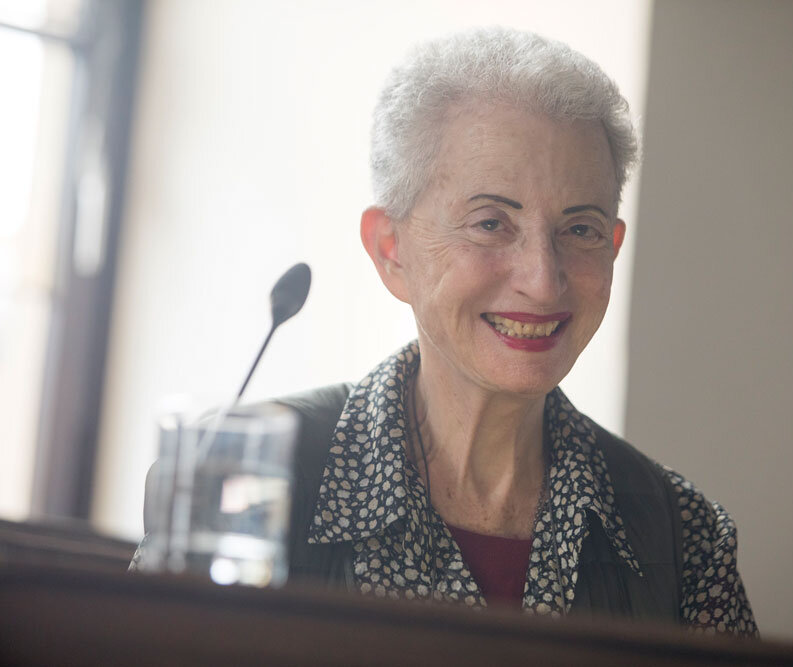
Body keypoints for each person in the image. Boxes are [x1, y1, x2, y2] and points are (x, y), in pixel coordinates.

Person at [137, 27, 757, 636]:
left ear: (613, 248)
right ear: (391, 250)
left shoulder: (686, 539)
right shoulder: (245, 481)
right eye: (491, 223)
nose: (543, 281)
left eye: (581, 229)